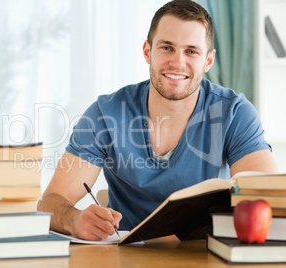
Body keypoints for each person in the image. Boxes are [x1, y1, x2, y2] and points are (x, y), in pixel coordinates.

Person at [37, 0, 278, 241]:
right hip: (128, 253)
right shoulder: (105, 114)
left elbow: (268, 200)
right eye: (166, 47)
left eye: (191, 51)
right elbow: (50, 202)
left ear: (208, 60)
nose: (178, 62)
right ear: (147, 51)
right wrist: (74, 219)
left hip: (205, 253)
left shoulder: (235, 113)